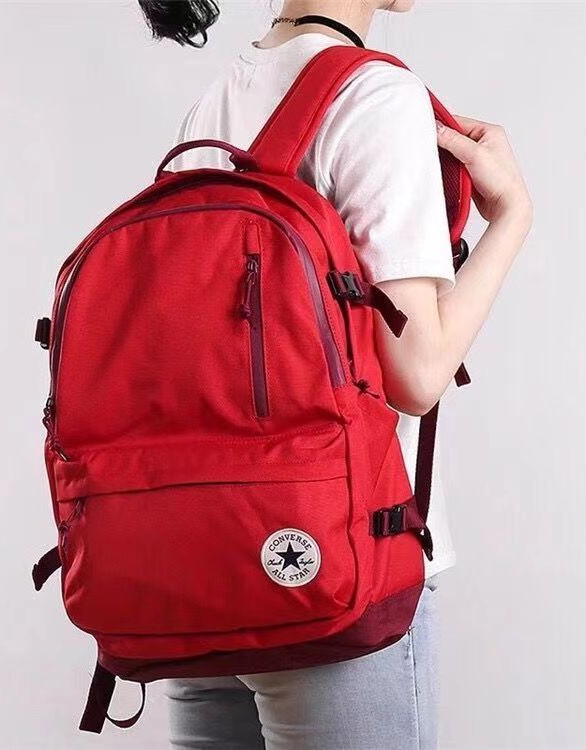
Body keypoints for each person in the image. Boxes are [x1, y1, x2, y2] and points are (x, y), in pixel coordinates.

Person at [138, 1, 533, 747]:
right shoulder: (376, 97)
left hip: (203, 573)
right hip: (338, 577)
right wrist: (511, 216)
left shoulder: (213, 104)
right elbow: (416, 374)